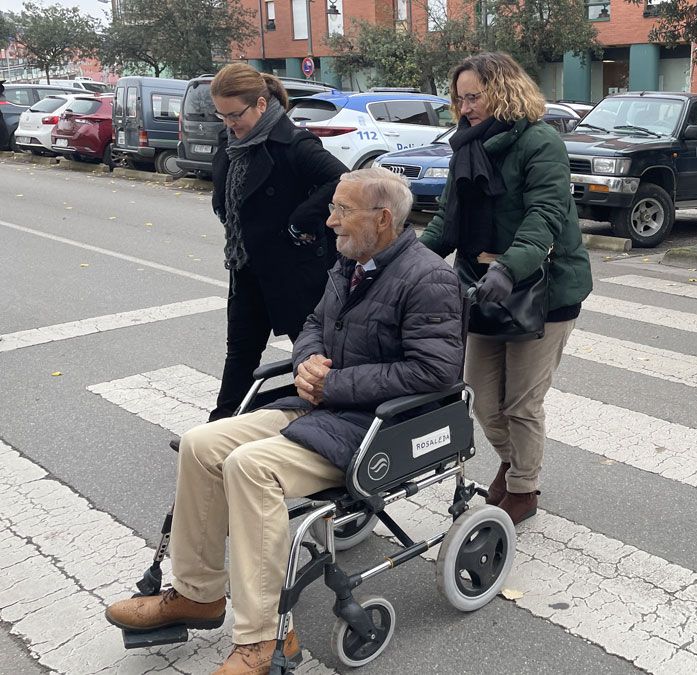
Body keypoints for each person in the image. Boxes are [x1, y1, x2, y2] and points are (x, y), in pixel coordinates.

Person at [104, 168, 463, 675]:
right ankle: (197, 594)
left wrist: (332, 384)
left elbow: (435, 370)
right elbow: (313, 323)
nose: (330, 218)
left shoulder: (429, 278)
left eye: (342, 209)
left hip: (373, 430)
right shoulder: (352, 260)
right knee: (201, 444)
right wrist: (307, 362)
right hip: (322, 408)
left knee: (250, 468)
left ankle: (267, 637)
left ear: (381, 219)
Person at [419, 52, 593, 526]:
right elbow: (446, 219)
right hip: (481, 285)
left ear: (503, 90)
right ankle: (515, 462)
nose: (466, 106)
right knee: (477, 391)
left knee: (521, 403)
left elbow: (545, 216)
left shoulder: (539, 142)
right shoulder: (466, 145)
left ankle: (523, 489)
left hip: (544, 289)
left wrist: (511, 266)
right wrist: (407, 259)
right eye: (460, 98)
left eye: (474, 96)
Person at [208, 63, 348, 422]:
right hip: (247, 266)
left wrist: (301, 218)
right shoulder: (232, 141)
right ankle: (221, 424)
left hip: (293, 272)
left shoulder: (294, 143)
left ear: (259, 104)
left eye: (234, 114)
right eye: (221, 115)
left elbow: (342, 179)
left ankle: (328, 423)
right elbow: (226, 188)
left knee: (309, 352)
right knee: (240, 350)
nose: (228, 124)